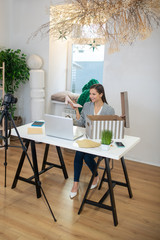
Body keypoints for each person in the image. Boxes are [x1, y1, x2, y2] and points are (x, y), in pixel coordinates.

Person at [69, 84, 115, 199]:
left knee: (87, 157)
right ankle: (75, 184)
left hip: (100, 142)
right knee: (79, 153)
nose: (91, 96)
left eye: (93, 94)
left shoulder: (109, 109)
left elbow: (111, 130)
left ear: (101, 94)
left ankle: (95, 176)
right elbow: (81, 123)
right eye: (90, 94)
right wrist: (77, 111)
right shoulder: (87, 105)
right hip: (88, 139)